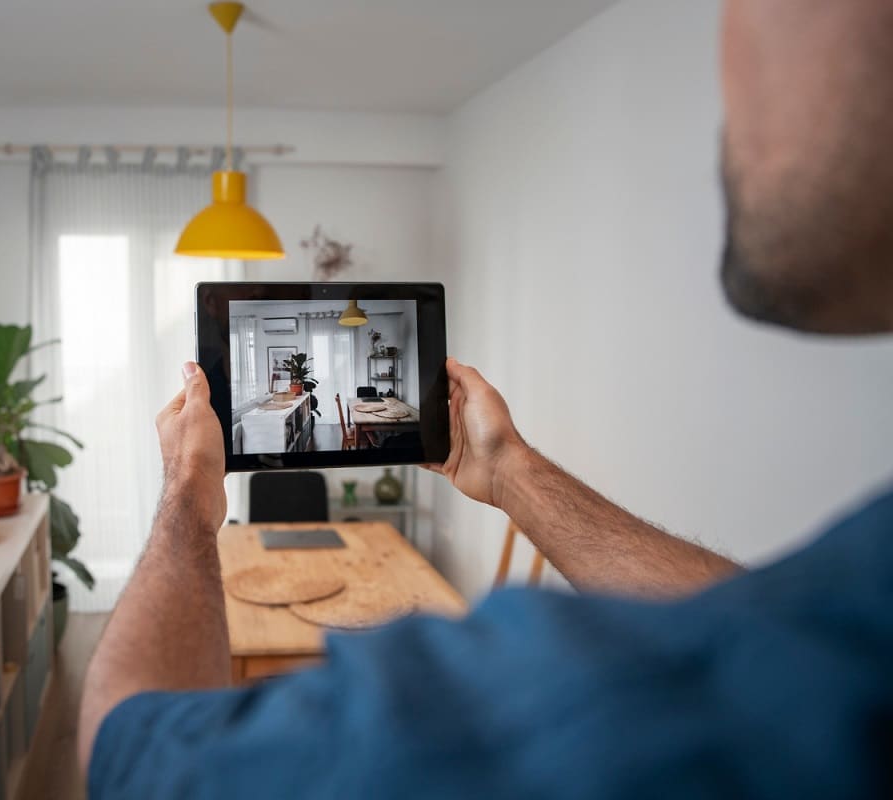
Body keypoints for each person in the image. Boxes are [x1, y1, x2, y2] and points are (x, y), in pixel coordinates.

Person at [79, 0, 893, 796]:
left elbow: (136, 753)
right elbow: (745, 633)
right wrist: (507, 468)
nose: (729, 25)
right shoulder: (848, 624)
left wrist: (189, 493)